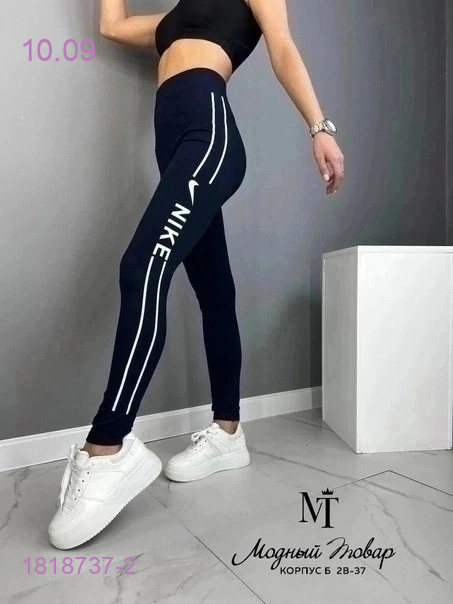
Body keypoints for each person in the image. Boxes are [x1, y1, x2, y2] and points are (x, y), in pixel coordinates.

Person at [48, 0, 345, 549]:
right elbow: (112, 25)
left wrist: (318, 127)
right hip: (177, 149)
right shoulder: (172, 19)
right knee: (214, 292)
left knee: (142, 266)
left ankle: (108, 447)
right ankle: (229, 432)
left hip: (209, 137)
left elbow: (282, 46)